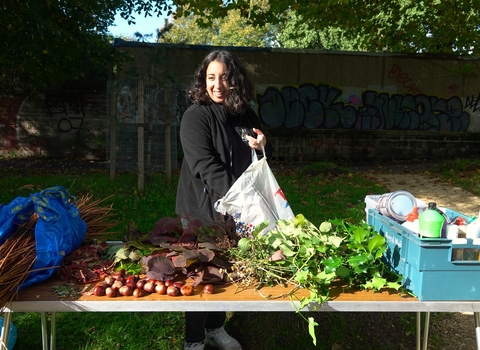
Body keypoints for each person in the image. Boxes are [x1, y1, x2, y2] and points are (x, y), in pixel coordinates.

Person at [175, 50, 273, 350]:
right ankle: (193, 339)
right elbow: (205, 165)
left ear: (235, 81)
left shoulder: (244, 114)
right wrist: (242, 200)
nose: (218, 85)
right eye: (211, 78)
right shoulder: (196, 116)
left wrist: (262, 144)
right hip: (201, 212)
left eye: (225, 77)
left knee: (223, 271)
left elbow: (256, 155)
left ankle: (214, 328)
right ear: (203, 81)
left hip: (234, 210)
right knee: (200, 273)